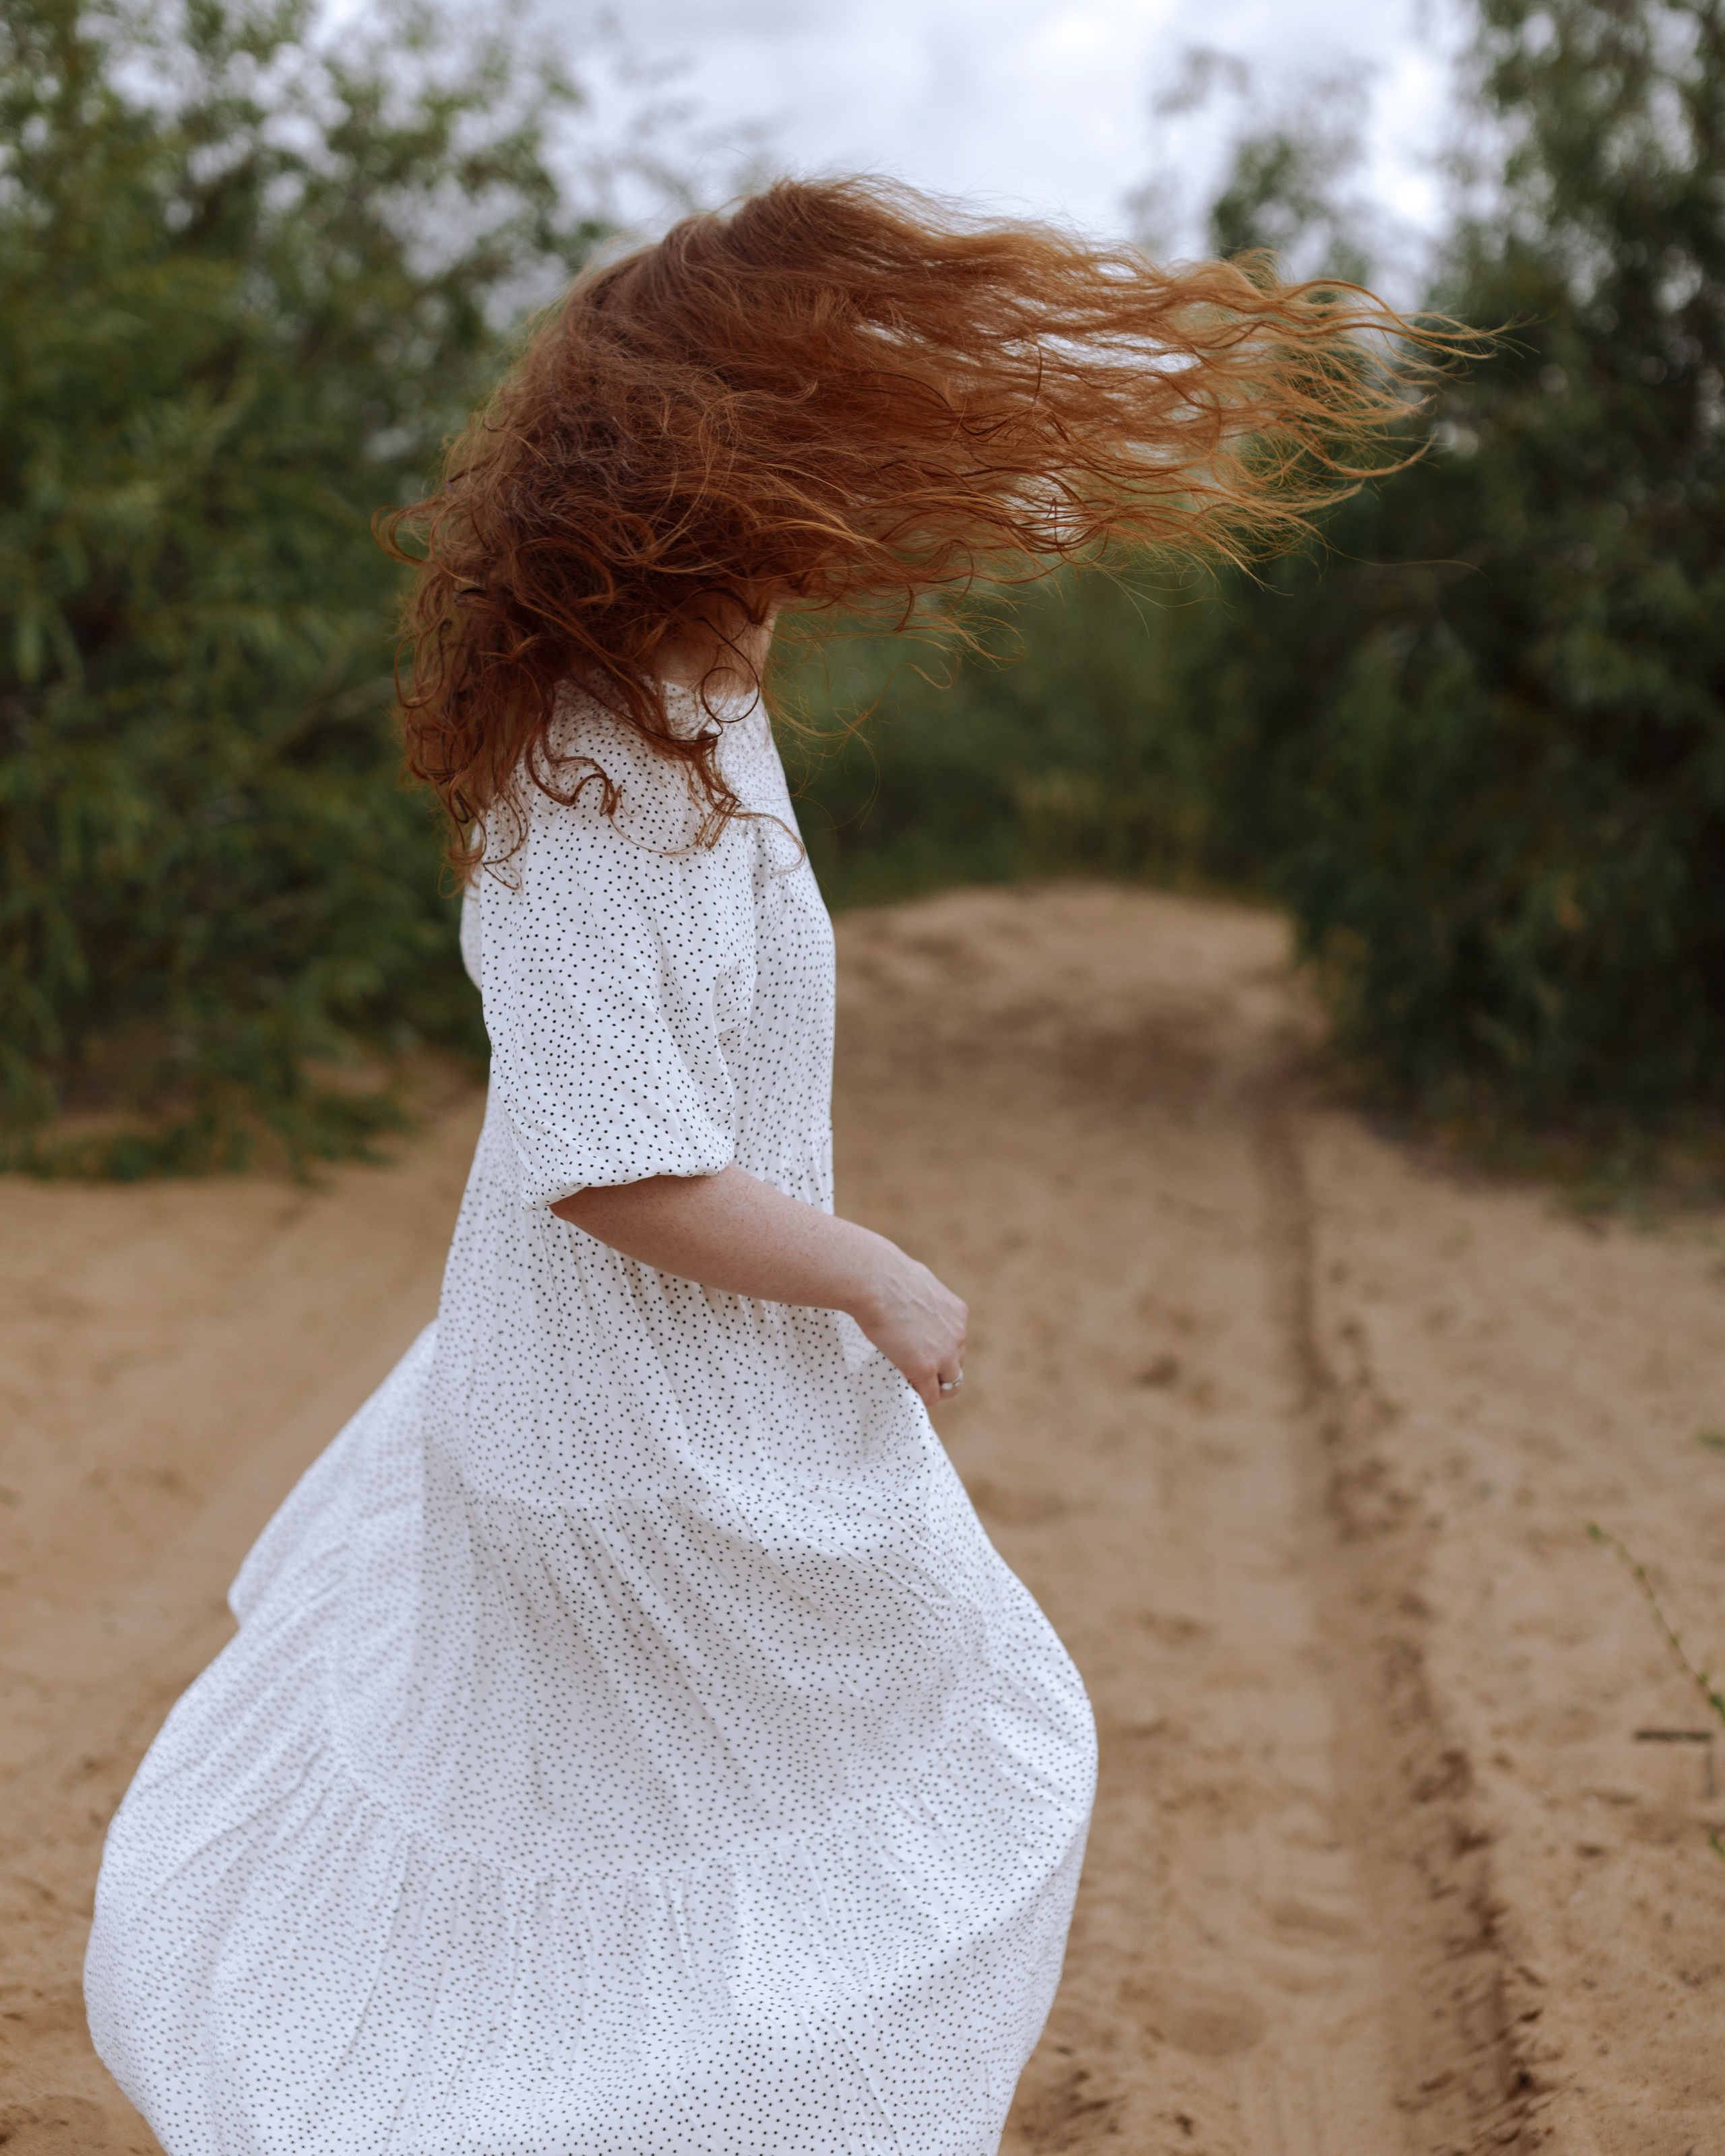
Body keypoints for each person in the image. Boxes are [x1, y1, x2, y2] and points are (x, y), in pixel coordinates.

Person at [84, 179, 1432, 2155]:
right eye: (830, 434)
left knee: (708, 1874)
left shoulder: (700, 699)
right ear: (706, 476)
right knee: (788, 1833)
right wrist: (875, 1272)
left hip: (689, 1393)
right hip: (625, 1436)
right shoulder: (578, 778)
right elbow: (608, 1165)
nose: (867, 482)